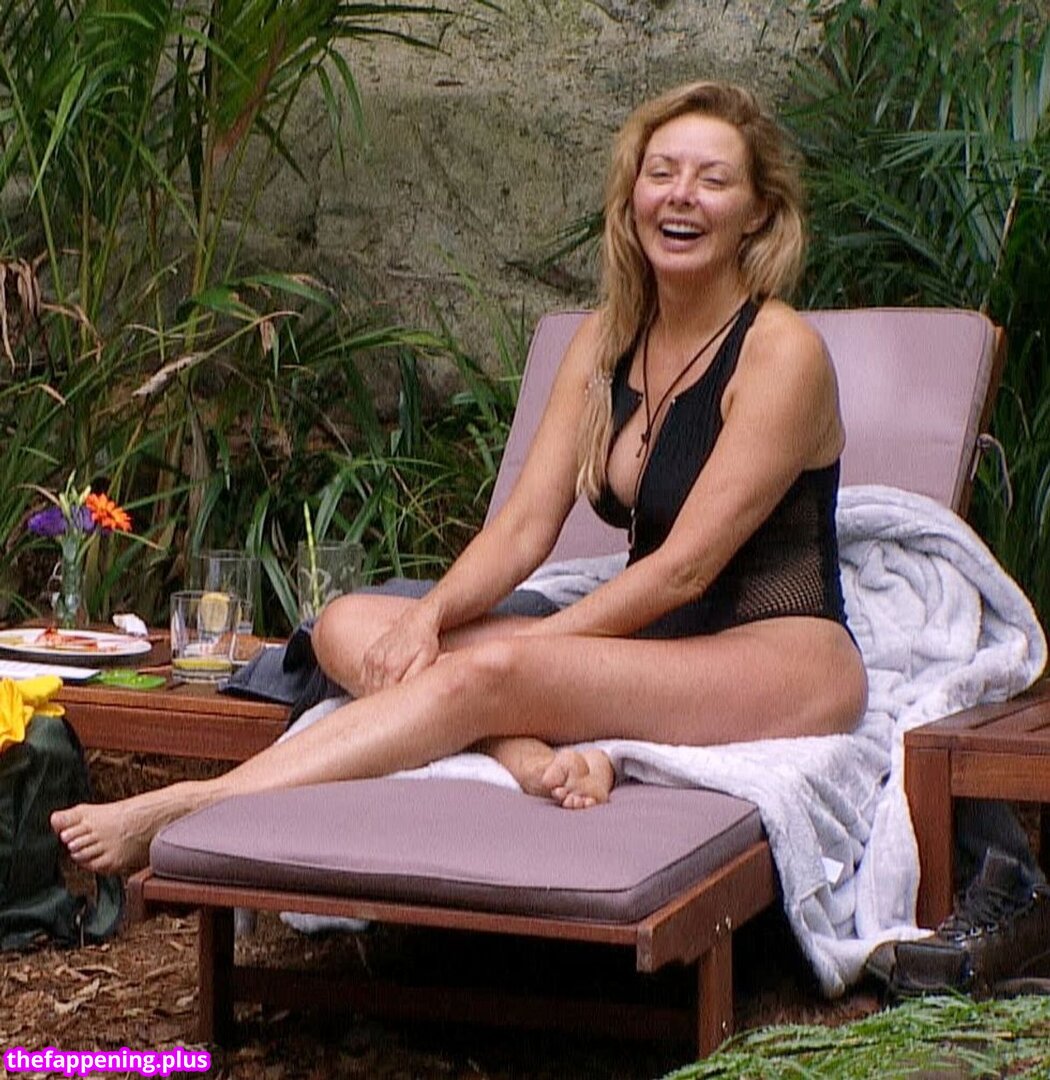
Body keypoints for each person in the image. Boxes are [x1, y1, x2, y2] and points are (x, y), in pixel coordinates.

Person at [52, 80, 867, 874]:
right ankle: (522, 747)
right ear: (631, 196)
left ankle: (192, 804)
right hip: (650, 644)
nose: (681, 196)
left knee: (490, 669)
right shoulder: (608, 339)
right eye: (662, 173)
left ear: (758, 212)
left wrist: (524, 652)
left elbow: (686, 569)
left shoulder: (781, 353)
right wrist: (429, 620)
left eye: (713, 180)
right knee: (348, 626)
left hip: (773, 657)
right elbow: (522, 529)